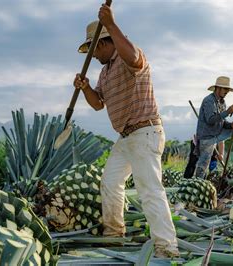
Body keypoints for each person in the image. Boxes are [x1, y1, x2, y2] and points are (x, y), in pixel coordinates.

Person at [72, 4, 179, 258]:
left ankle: (167, 249)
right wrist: (85, 87)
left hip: (145, 132)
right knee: (110, 182)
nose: (94, 56)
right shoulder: (105, 72)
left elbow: (133, 58)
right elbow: (98, 103)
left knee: (149, 189)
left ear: (102, 44)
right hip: (126, 137)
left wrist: (110, 24)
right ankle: (114, 233)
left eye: (94, 49)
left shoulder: (128, 56)